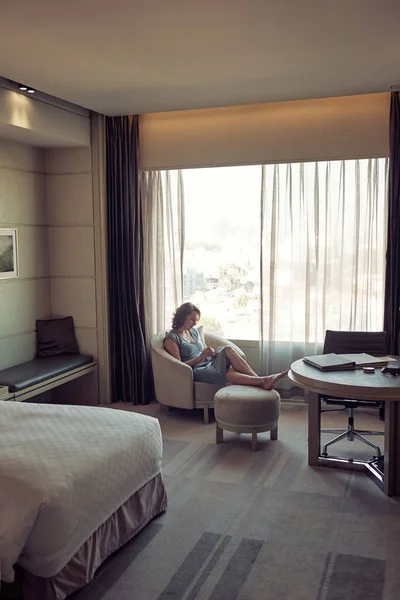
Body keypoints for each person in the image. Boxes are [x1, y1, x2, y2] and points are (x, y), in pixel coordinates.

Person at [163, 302, 288, 390]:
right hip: (196, 370)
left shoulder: (193, 332)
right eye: (192, 319)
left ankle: (260, 380)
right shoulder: (172, 338)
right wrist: (201, 357)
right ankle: (263, 381)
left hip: (207, 362)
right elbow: (178, 366)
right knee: (228, 373)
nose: (195, 324)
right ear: (182, 317)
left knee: (227, 350)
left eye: (196, 320)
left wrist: (209, 353)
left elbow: (202, 351)